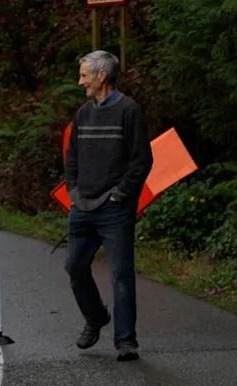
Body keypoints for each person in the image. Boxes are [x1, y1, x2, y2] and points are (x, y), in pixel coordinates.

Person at [64, 50, 153, 361]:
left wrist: (121, 194)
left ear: (102, 76)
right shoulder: (83, 114)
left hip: (114, 209)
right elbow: (71, 156)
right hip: (82, 206)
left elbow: (142, 160)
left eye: (84, 75)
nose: (80, 82)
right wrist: (73, 190)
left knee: (121, 274)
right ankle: (96, 318)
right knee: (74, 267)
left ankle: (126, 341)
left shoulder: (129, 111)